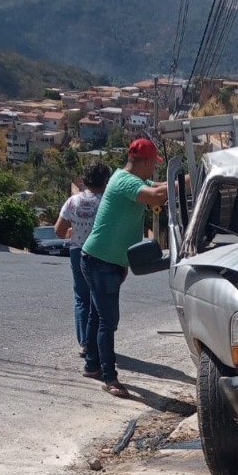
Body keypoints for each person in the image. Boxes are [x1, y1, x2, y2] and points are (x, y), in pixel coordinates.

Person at [80, 139, 168, 398]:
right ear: (146, 161)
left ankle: (92, 366)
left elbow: (159, 186)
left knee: (97, 316)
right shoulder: (125, 182)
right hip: (101, 261)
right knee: (108, 321)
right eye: (154, 165)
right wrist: (179, 183)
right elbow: (155, 195)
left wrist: (186, 179)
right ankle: (110, 377)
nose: (154, 171)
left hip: (103, 259)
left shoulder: (126, 179)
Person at [55, 162, 111, 359]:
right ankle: (98, 341)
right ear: (105, 181)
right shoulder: (106, 202)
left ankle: (84, 343)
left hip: (77, 251)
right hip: (100, 253)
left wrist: (73, 231)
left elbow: (59, 230)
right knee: (99, 298)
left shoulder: (73, 202)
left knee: (81, 297)